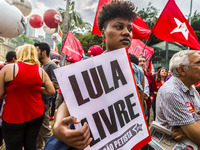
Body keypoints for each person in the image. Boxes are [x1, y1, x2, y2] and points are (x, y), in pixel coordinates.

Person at [52, 1, 137, 149]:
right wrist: (57, 126)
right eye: (119, 26)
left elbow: (138, 108)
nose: (126, 32)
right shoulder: (87, 68)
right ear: (103, 32)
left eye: (129, 28)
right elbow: (67, 104)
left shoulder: (138, 72)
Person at [0, 44, 55, 150]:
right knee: (31, 145)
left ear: (19, 53)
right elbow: (51, 91)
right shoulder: (41, 71)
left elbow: (1, 94)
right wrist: (36, 88)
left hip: (13, 115)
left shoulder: (8, 68)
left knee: (13, 146)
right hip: (36, 114)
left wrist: (16, 91)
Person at [156, 50, 200, 145]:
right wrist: (191, 132)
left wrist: (188, 131)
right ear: (182, 70)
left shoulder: (190, 87)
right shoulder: (171, 92)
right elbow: (198, 137)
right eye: (198, 63)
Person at [35, 42, 59, 150]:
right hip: (38, 103)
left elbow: (57, 85)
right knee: (38, 132)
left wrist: (44, 82)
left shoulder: (51, 65)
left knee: (45, 132)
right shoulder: (42, 65)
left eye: (37, 50)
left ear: (44, 52)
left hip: (44, 104)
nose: (35, 53)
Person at [138, 55, 157, 125]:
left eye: (144, 61)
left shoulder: (150, 76)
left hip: (146, 105)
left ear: (146, 63)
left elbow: (153, 91)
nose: (142, 63)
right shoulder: (132, 74)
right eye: (140, 61)